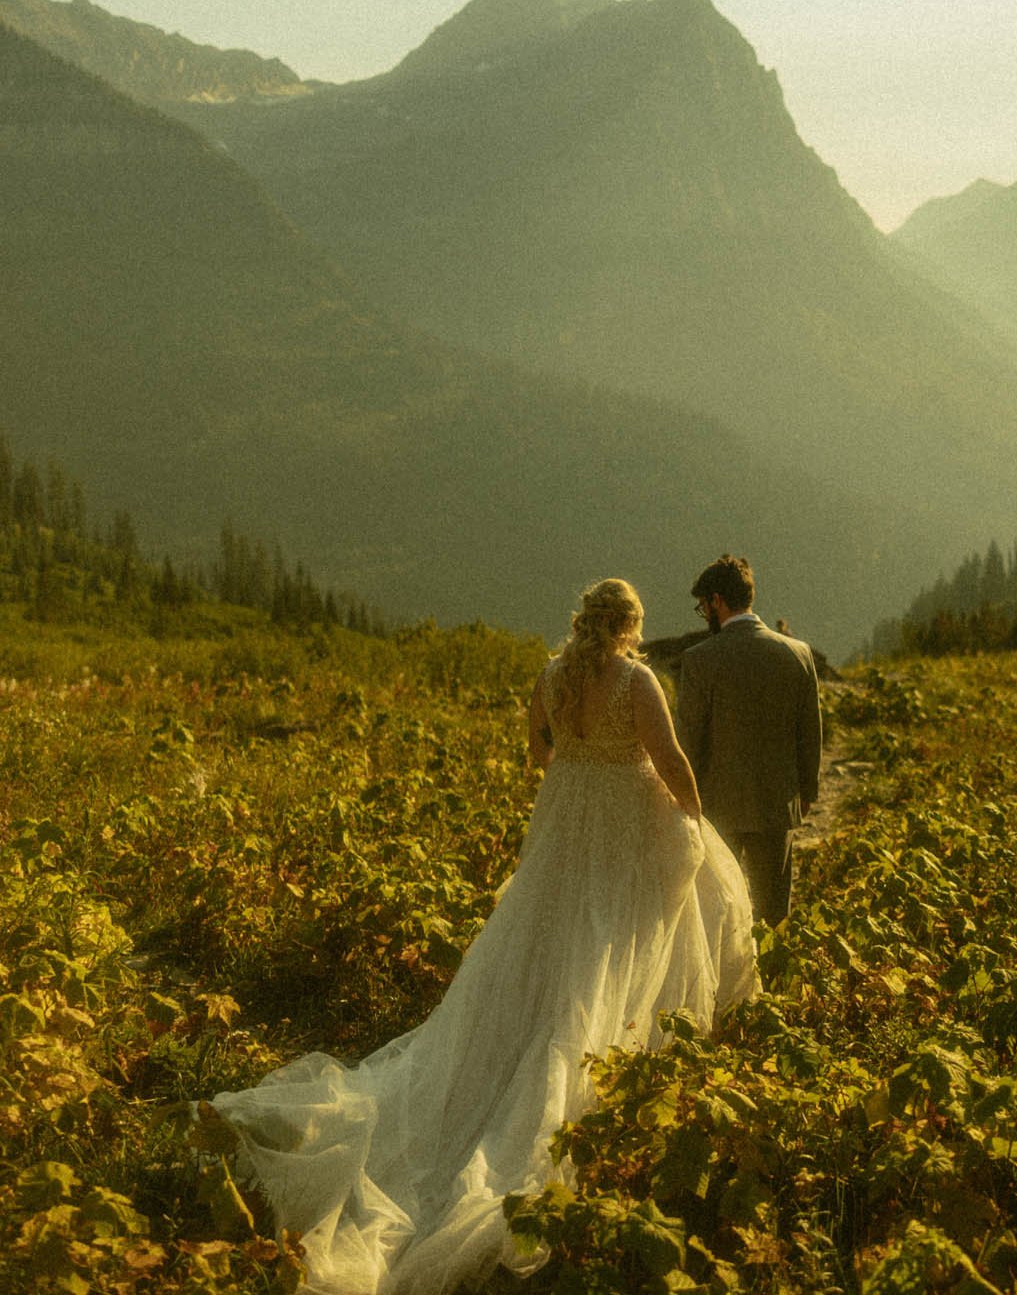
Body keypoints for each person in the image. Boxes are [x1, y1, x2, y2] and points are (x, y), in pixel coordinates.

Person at [210, 579, 754, 1294]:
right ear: (627, 626)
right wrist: (687, 810)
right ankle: (610, 1068)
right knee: (610, 940)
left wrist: (580, 769)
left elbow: (539, 753)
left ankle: (526, 1039)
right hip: (621, 821)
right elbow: (670, 755)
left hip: (564, 820)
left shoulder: (552, 676)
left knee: (544, 938)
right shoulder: (636, 678)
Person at [676, 554, 822, 927]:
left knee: (714, 912)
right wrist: (806, 792)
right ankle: (774, 979)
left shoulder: (699, 660)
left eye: (703, 606)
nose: (704, 613)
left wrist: (680, 801)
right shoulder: (798, 654)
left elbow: (689, 740)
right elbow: (809, 735)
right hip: (777, 802)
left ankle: (720, 984)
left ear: (717, 602)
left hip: (715, 805)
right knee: (775, 909)